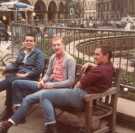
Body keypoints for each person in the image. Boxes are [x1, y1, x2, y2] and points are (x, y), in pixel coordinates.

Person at [0, 46, 114, 133]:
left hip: (81, 96)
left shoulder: (99, 71)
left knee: (43, 96)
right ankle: (10, 124)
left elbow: (79, 83)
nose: (94, 57)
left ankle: (49, 128)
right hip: (79, 95)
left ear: (106, 55)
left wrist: (78, 82)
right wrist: (92, 64)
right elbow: (101, 72)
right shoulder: (107, 67)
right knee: (39, 97)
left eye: (97, 55)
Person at [11, 36, 76, 110]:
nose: (56, 47)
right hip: (47, 84)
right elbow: (48, 74)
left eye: (58, 45)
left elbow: (71, 81)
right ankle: (17, 109)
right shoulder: (53, 57)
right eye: (54, 45)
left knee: (29, 98)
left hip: (60, 90)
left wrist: (52, 85)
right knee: (16, 83)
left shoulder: (70, 60)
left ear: (63, 45)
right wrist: (42, 80)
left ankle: (16, 117)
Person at [0, 33, 45, 120]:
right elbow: (16, 65)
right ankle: (9, 109)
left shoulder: (39, 54)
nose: (29, 42)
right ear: (24, 42)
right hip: (18, 75)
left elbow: (39, 69)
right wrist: (7, 68)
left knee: (9, 81)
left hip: (31, 78)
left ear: (34, 43)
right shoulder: (22, 52)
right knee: (8, 80)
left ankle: (9, 110)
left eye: (31, 41)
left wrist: (26, 74)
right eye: (27, 41)